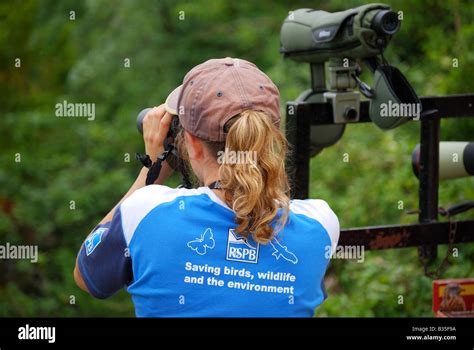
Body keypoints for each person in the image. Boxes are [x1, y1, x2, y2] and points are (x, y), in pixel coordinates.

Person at [73, 57, 339, 317]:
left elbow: (87, 277)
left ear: (192, 144)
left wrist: (153, 168)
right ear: (269, 138)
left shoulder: (145, 211)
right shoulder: (320, 223)